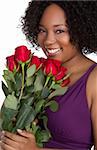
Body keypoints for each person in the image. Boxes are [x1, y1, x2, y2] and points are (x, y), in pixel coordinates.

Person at [0, 1, 97, 150]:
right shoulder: (34, 74)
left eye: (59, 31)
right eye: (42, 30)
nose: (48, 41)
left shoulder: (93, 80)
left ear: (80, 29)